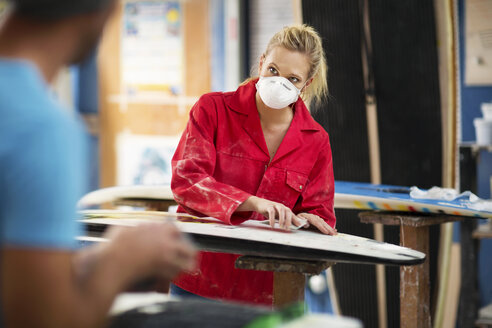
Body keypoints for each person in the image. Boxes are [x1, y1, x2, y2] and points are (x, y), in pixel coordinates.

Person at [0, 1, 195, 327]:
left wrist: (98, 259)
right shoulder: (40, 129)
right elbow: (48, 321)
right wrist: (121, 260)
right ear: (102, 12)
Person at [171, 24, 337, 306]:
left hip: (271, 290)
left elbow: (321, 213)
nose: (279, 82)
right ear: (261, 63)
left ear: (306, 85)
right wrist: (253, 203)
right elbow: (188, 181)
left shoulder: (316, 140)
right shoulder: (212, 110)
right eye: (273, 70)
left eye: (293, 79)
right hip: (198, 278)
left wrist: (309, 222)